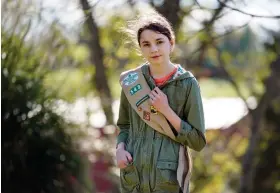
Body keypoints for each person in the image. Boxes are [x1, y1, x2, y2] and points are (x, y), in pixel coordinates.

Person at [116, 11, 206, 193]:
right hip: (134, 181)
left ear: (171, 43)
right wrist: (119, 149)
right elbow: (124, 126)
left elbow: (197, 141)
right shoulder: (132, 82)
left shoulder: (187, 84)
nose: (154, 49)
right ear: (140, 48)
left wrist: (166, 110)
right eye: (146, 44)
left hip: (167, 183)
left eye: (159, 42)